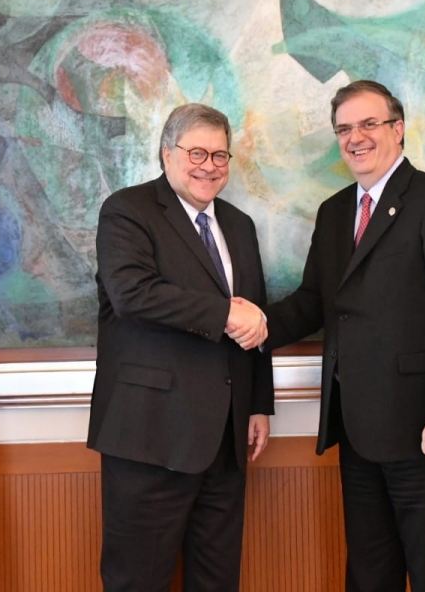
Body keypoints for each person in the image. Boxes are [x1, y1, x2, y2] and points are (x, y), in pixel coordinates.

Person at [256, 80, 425, 591]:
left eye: (368, 124)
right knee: (368, 575)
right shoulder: (335, 212)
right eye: (344, 128)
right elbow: (316, 302)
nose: (355, 137)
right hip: (358, 432)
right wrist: (254, 328)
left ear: (398, 130)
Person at [88, 103, 273, 592]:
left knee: (217, 580)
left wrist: (258, 404)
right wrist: (224, 312)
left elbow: (254, 318)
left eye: (219, 154)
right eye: (196, 152)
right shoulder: (127, 210)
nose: (209, 165)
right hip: (150, 434)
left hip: (226, 442)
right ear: (167, 153)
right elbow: (133, 294)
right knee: (138, 580)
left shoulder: (239, 225)